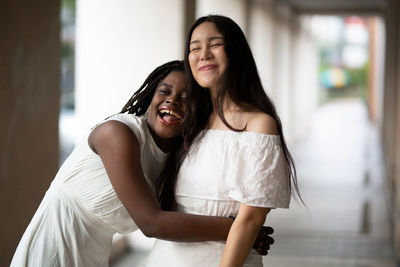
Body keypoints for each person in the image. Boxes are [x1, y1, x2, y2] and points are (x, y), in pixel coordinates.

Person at [10, 60, 273, 267]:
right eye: (165, 91)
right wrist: (238, 230)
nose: (172, 100)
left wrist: (245, 232)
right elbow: (152, 223)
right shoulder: (117, 134)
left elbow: (180, 216)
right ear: (151, 97)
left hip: (92, 257)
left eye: (186, 98)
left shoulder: (172, 161)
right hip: (52, 249)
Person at [146, 16, 302, 267]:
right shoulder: (190, 122)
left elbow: (250, 220)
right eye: (195, 48)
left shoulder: (258, 124)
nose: (203, 54)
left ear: (236, 52)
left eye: (215, 44)